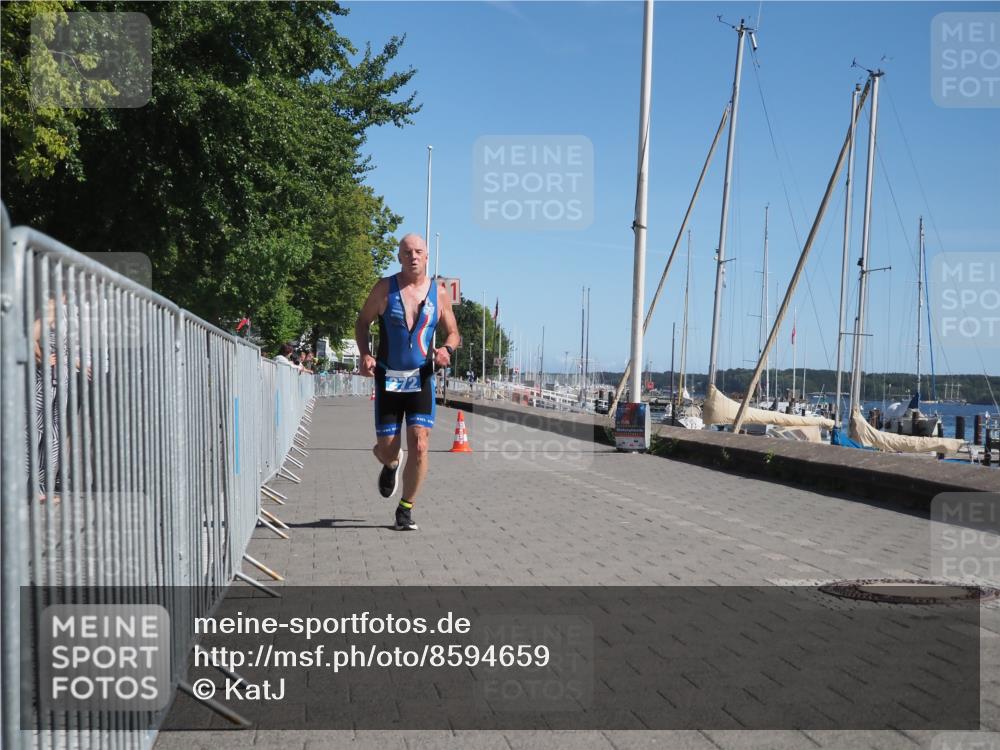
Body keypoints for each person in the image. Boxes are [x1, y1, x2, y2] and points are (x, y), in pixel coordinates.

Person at [355, 233, 460, 531]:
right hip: (388, 380)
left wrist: (446, 350)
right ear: (399, 257)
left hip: (421, 380)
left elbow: (453, 332)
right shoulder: (383, 289)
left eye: (418, 252)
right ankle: (390, 463)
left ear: (427, 257)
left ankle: (405, 509)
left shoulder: (439, 293)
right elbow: (362, 322)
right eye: (407, 252)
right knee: (388, 449)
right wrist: (365, 354)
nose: (413, 256)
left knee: (421, 443)